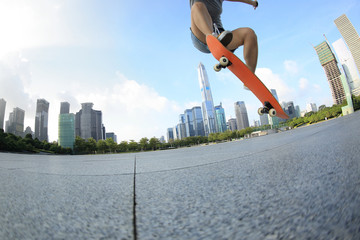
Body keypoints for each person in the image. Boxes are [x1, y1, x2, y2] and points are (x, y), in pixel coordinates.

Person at [190, 0, 259, 73]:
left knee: (249, 33)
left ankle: (249, 75)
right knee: (197, 6)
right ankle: (214, 39)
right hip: (200, 36)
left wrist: (253, 3)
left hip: (221, 36)